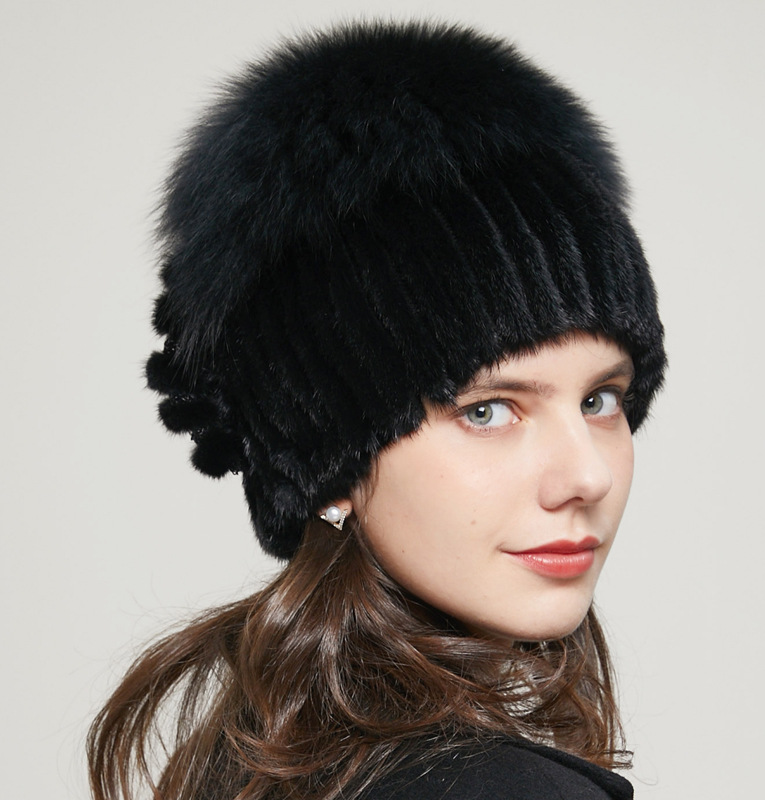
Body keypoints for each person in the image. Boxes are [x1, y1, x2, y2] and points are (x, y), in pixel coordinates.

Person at [87, 20, 665, 800]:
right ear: (327, 462)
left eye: (600, 399)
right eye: (488, 410)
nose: (587, 476)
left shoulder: (260, 764)